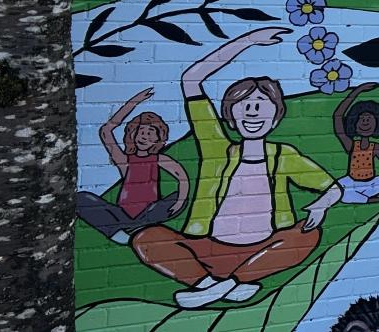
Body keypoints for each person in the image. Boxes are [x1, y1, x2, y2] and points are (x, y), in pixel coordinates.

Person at [131, 27, 342, 309]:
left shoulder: (283, 155)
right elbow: (191, 79)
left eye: (261, 104)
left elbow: (332, 188)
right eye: (244, 105)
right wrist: (248, 40)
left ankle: (227, 284)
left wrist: (321, 206)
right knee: (147, 238)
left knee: (307, 234)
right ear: (230, 117)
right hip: (209, 250)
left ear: (275, 118)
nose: (253, 111)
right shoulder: (217, 149)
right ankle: (210, 284)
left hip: (261, 251)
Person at [76, 88, 190, 246]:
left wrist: (179, 201)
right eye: (141, 131)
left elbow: (181, 176)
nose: (144, 136)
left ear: (158, 139)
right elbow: (106, 131)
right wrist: (134, 102)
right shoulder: (124, 160)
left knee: (178, 196)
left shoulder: (159, 159)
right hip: (123, 214)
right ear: (133, 134)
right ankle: (120, 232)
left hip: (149, 212)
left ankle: (135, 228)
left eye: (150, 133)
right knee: (81, 198)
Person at [332, 82, 379, 204]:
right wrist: (357, 91)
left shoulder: (375, 147)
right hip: (352, 182)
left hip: (370, 183)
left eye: (369, 119)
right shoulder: (352, 146)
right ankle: (365, 199)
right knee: (337, 190)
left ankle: (359, 197)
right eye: (362, 119)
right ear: (354, 123)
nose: (365, 122)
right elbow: (337, 117)